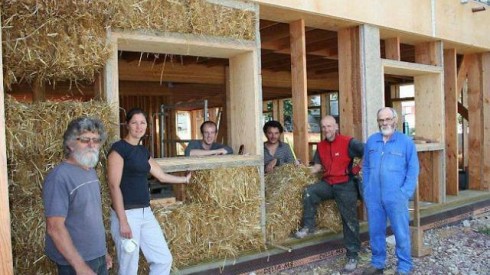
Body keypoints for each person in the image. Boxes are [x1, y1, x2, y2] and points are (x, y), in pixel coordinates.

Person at [107, 108, 192, 275]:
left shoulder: (142, 151)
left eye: (142, 123)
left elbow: (161, 175)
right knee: (128, 267)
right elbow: (113, 186)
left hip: (146, 212)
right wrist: (122, 221)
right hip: (127, 214)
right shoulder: (119, 149)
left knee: (163, 259)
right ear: (127, 125)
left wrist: (184, 179)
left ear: (147, 126)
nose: (139, 126)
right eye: (134, 123)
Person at [43, 117, 112, 275]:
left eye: (96, 140)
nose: (92, 145)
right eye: (85, 140)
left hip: (97, 256)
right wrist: (79, 266)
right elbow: (54, 228)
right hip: (76, 263)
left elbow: (92, 217)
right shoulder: (59, 176)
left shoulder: (90, 171)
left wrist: (103, 251)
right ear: (70, 143)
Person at [294, 115, 363, 273]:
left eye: (329, 126)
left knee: (349, 220)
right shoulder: (321, 146)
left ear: (336, 127)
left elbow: (368, 153)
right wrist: (302, 169)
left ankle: (352, 255)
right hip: (328, 183)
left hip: (346, 185)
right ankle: (308, 227)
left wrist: (358, 169)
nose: (326, 129)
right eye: (324, 127)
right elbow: (317, 167)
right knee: (309, 192)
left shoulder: (349, 142)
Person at [362, 107, 419, 275]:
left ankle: (404, 266)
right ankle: (378, 263)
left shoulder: (406, 142)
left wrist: (405, 192)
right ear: (378, 122)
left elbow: (413, 169)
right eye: (381, 120)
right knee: (375, 230)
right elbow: (365, 166)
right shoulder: (372, 141)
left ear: (395, 120)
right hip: (374, 196)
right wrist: (366, 189)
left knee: (401, 231)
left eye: (388, 119)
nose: (384, 123)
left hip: (396, 196)